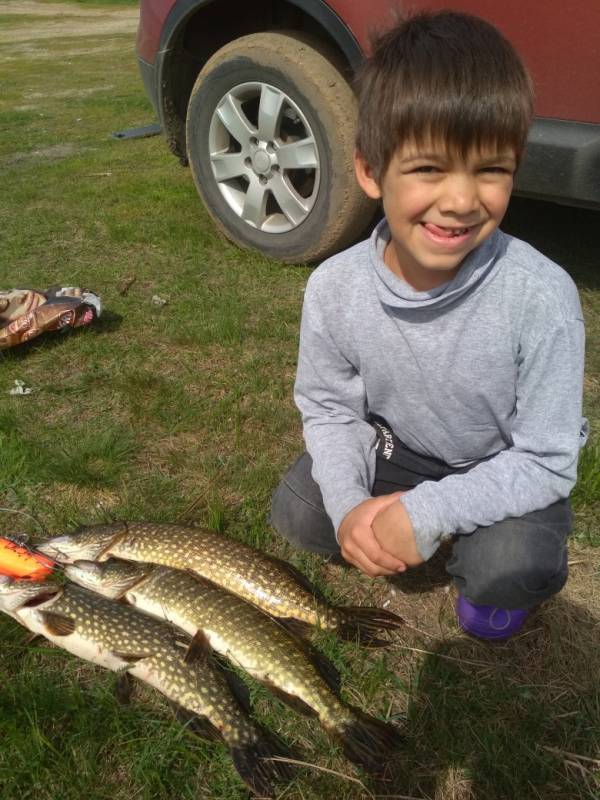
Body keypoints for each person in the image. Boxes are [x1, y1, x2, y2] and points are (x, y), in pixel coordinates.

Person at [270, 10, 588, 640]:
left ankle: (480, 559)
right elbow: (331, 411)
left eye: (491, 169)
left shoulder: (543, 295)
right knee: (302, 511)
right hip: (399, 452)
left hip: (502, 462)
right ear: (370, 170)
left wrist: (431, 511)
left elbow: (549, 459)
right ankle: (393, 525)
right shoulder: (334, 288)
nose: (463, 199)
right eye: (429, 168)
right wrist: (352, 508)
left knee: (511, 564)